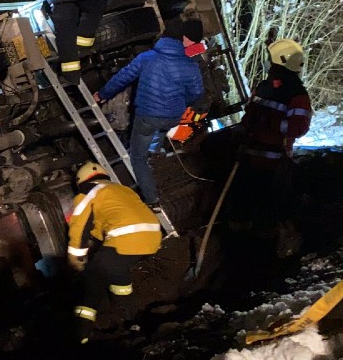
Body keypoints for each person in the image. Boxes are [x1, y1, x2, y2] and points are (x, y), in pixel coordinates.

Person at [94, 17, 205, 209]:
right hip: (171, 118)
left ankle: (151, 200)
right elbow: (197, 93)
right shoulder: (191, 66)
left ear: (163, 39)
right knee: (157, 133)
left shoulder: (147, 58)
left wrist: (102, 95)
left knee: (137, 158)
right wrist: (179, 104)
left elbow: (123, 77)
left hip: (148, 117)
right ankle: (155, 153)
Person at [225, 39, 312, 255]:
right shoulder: (264, 87)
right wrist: (243, 130)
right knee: (240, 208)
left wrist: (269, 124)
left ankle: (263, 256)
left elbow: (298, 127)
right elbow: (250, 115)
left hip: (274, 164)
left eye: (270, 60)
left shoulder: (297, 96)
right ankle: (236, 251)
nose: (267, 64)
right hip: (248, 158)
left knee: (266, 213)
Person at [66, 161, 162, 343]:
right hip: (151, 237)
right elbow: (105, 222)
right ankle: (134, 321)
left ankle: (81, 336)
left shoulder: (87, 193)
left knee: (93, 280)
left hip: (126, 238)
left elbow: (79, 227)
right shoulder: (121, 189)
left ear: (81, 181)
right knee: (118, 275)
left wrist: (75, 258)